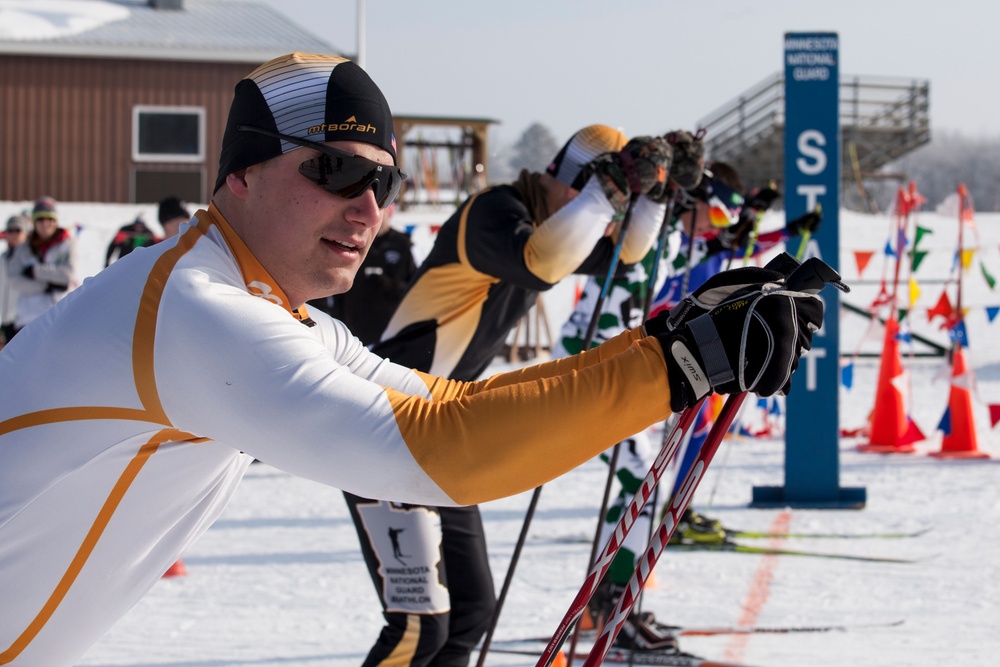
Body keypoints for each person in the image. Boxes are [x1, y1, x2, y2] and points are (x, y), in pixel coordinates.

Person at [0, 52, 822, 666]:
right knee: (425, 624)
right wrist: (674, 363)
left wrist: (672, 339)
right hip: (393, 456)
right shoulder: (197, 310)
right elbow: (441, 449)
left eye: (383, 185)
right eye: (335, 170)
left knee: (459, 621)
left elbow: (450, 408)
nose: (367, 209)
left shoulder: (260, 306)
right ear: (241, 172)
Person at [345, 125, 696, 667]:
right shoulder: (494, 212)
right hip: (383, 431)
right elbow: (543, 261)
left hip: (437, 435)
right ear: (565, 181)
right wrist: (606, 193)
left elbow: (626, 257)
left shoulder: (550, 222)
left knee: (470, 616)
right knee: (419, 627)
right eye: (588, 198)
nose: (593, 214)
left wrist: (653, 196)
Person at [309, 202, 417, 346]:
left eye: (381, 211)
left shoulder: (404, 245)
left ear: (389, 213)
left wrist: (390, 285)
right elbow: (329, 279)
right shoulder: (351, 241)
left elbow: (416, 289)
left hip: (388, 330)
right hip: (353, 326)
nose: (375, 218)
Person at [8, 196, 76, 333]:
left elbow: (68, 275)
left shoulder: (67, 245)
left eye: (49, 218)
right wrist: (47, 286)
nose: (45, 223)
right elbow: (14, 280)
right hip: (28, 318)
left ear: (55, 221)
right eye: (40, 219)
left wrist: (35, 271)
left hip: (58, 316)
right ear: (34, 222)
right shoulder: (23, 249)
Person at [0, 214, 29, 345]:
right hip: (6, 319)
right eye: (10, 230)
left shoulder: (30, 257)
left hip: (23, 320)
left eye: (18, 230)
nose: (13, 234)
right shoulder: (3, 258)